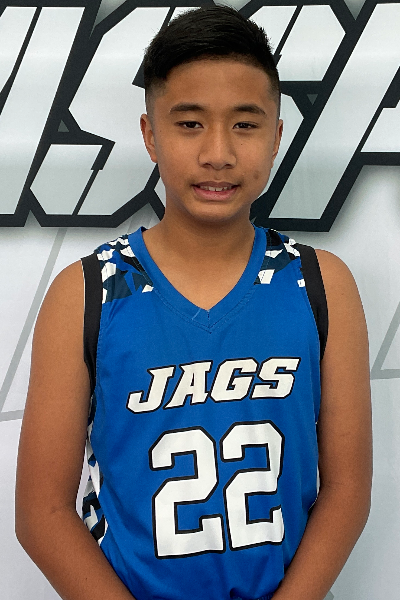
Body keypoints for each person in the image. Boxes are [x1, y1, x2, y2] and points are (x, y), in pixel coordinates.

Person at [15, 6, 372, 600]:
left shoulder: (320, 284)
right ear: (150, 134)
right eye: (189, 124)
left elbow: (348, 490)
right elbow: (42, 514)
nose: (218, 153)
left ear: (277, 136)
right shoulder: (87, 293)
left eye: (245, 124)